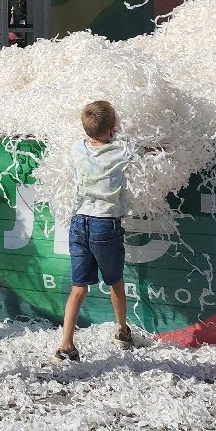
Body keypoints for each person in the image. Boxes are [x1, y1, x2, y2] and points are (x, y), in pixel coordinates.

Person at [56, 101, 138, 360]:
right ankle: (123, 331)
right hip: (105, 224)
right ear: (113, 128)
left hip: (79, 222)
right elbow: (150, 150)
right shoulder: (122, 151)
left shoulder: (77, 148)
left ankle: (65, 344)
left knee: (78, 287)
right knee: (115, 281)